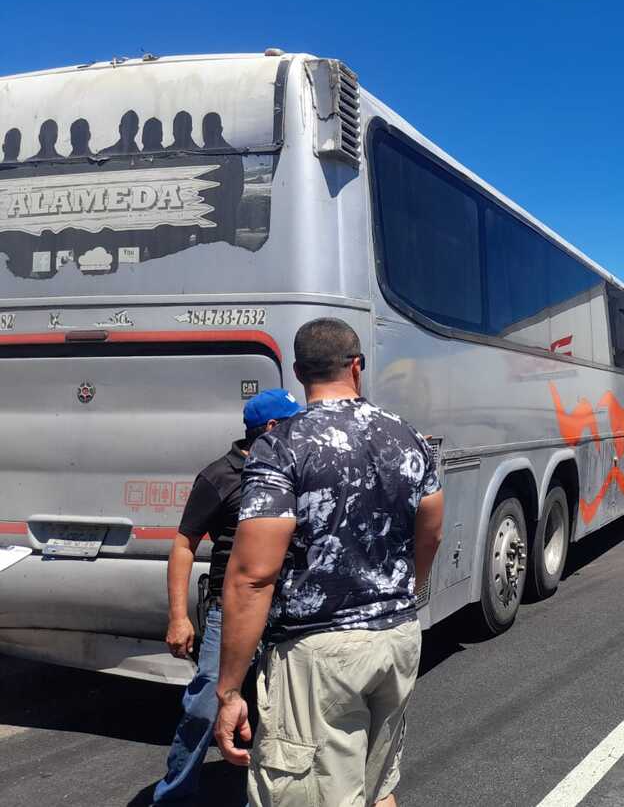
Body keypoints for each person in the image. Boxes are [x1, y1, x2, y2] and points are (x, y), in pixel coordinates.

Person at [215, 318, 445, 807]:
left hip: (318, 651)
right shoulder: (409, 437)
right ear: (357, 366)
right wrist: (404, 594)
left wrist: (230, 689)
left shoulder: (280, 447)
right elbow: (432, 531)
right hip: (397, 639)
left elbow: (253, 577)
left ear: (298, 372)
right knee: (379, 788)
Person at [153, 389, 304, 805]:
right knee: (205, 705)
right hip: (231, 610)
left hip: (287, 609)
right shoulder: (219, 476)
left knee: (283, 710)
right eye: (295, 422)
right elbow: (184, 544)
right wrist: (178, 617)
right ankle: (174, 797)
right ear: (272, 428)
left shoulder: (298, 469)